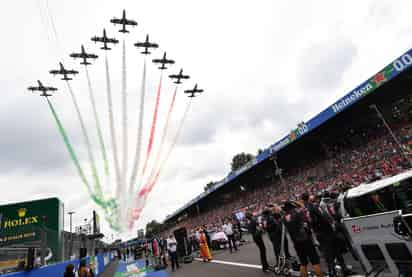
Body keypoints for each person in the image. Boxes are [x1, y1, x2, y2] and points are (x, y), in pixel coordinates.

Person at [282, 200, 323, 277]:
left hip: (296, 242)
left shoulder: (284, 218)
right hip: (305, 240)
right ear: (292, 207)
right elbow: (303, 207)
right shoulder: (297, 214)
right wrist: (294, 201)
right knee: (315, 261)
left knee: (303, 263)